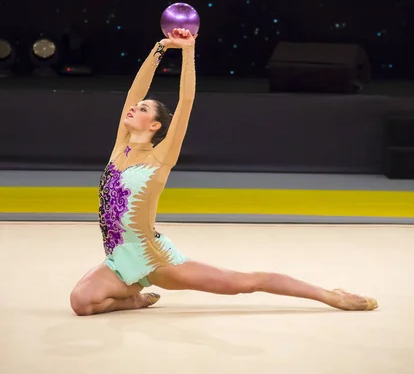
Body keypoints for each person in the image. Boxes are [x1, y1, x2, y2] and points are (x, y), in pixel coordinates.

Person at [70, 28, 378, 316]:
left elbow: (186, 101)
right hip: (120, 259)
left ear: (156, 126)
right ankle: (133, 299)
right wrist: (161, 47)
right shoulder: (120, 147)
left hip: (155, 258)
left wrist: (188, 51)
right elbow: (134, 90)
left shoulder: (161, 156)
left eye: (144, 109)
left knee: (241, 283)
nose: (135, 108)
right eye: (137, 106)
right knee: (82, 303)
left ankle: (329, 295)